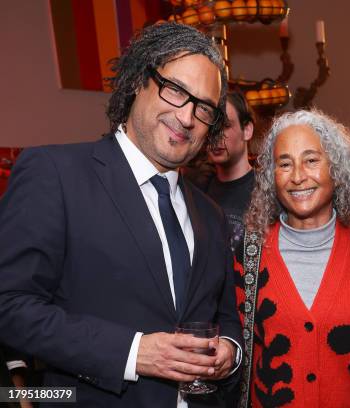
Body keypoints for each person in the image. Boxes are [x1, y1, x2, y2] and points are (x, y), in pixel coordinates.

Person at [0, 23, 242, 407]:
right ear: (136, 82)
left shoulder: (211, 216)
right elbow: (10, 305)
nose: (186, 117)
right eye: (176, 90)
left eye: (205, 107)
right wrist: (132, 353)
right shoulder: (55, 173)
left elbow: (227, 318)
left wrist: (230, 353)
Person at [234, 110, 350, 407]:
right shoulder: (248, 256)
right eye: (285, 163)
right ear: (271, 175)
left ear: (336, 168)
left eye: (311, 160)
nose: (297, 176)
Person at [203, 91, 256, 252]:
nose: (216, 136)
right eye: (210, 127)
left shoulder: (268, 190)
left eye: (225, 126)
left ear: (247, 130)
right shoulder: (196, 193)